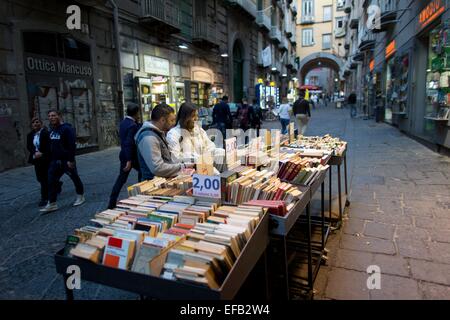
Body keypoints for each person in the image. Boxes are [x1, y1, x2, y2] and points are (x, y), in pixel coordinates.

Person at [40, 110, 85, 213]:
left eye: (54, 115)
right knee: (51, 180)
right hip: (55, 161)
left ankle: (80, 196)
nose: (51, 117)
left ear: (59, 116)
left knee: (74, 177)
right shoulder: (52, 130)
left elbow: (71, 145)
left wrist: (71, 160)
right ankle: (52, 203)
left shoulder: (67, 129)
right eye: (50, 116)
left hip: (66, 160)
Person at [135, 103, 194, 181]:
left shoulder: (157, 133)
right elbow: (157, 168)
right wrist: (183, 166)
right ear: (162, 120)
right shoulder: (149, 138)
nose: (173, 123)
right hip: (153, 185)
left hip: (161, 181)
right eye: (171, 120)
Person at [167, 103, 224, 174]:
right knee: (214, 172)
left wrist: (206, 157)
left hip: (204, 162)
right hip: (189, 168)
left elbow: (210, 145)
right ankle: (219, 179)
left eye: (197, 116)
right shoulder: (173, 134)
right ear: (185, 117)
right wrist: (196, 159)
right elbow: (175, 158)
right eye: (193, 116)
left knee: (221, 152)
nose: (196, 119)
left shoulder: (198, 129)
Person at [107, 103, 142, 209]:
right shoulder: (132, 125)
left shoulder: (123, 122)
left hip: (124, 154)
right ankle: (142, 195)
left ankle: (112, 202)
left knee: (121, 179)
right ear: (136, 113)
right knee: (143, 172)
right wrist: (129, 160)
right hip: (130, 156)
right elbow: (128, 143)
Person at [27, 117, 51, 207]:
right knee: (40, 178)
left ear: (41, 124)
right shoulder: (30, 135)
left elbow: (49, 146)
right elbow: (29, 146)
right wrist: (35, 152)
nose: (35, 124)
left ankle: (44, 198)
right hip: (36, 159)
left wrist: (42, 153)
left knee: (44, 178)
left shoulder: (45, 133)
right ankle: (57, 185)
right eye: (33, 123)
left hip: (45, 158)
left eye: (37, 122)